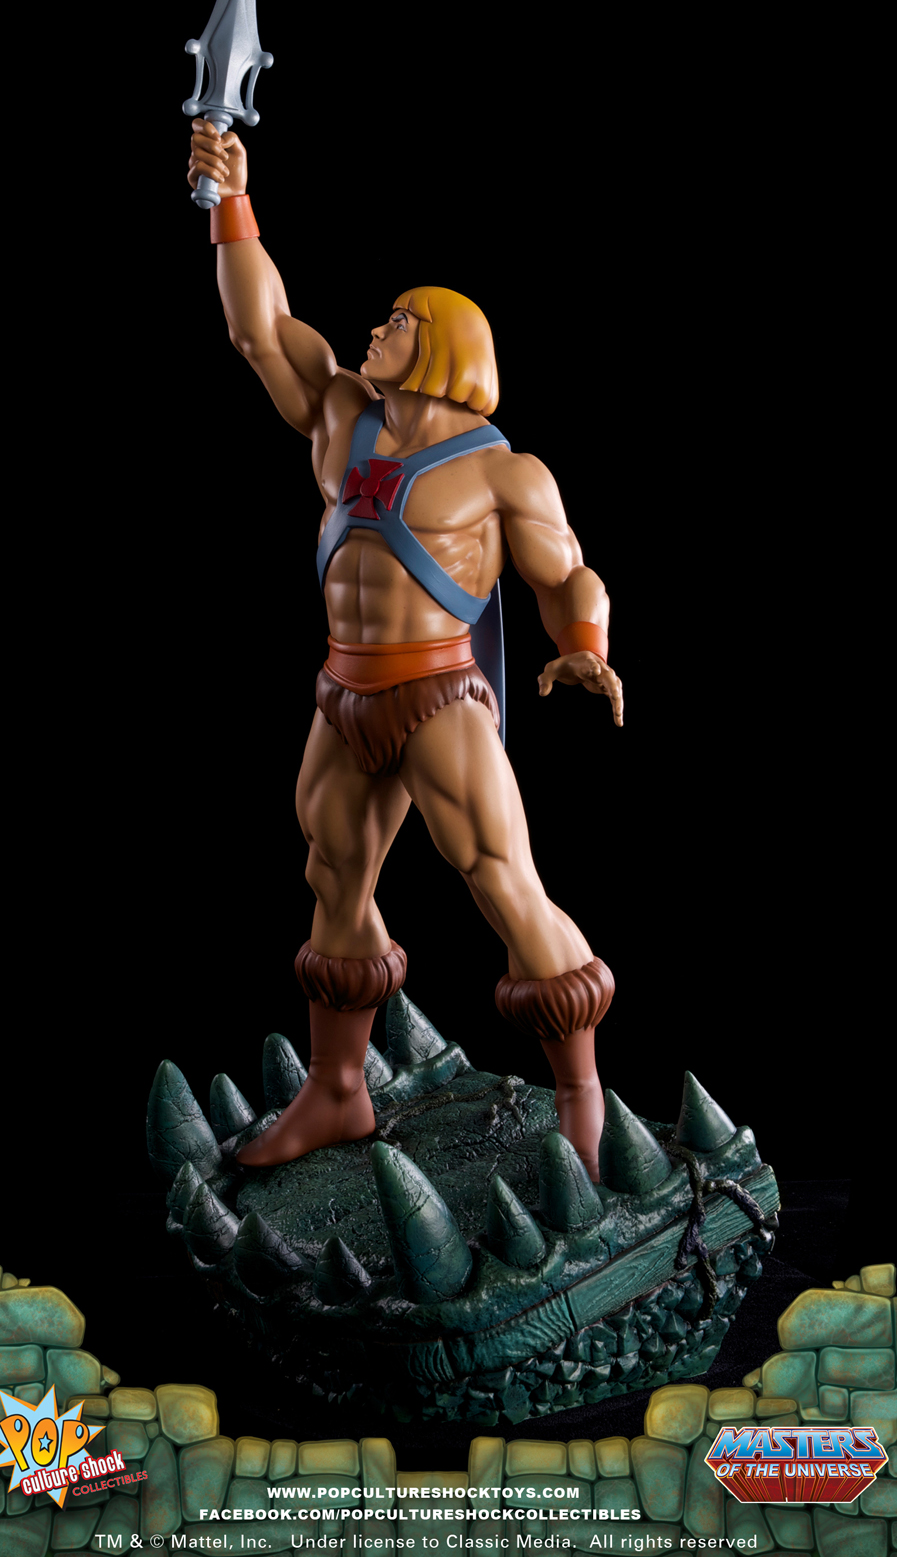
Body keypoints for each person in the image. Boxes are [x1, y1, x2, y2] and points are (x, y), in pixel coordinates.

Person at [187, 120, 624, 1180]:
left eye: (394, 321)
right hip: (343, 689)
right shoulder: (340, 415)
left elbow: (566, 571)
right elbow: (261, 329)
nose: (373, 331)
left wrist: (582, 644)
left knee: (500, 880)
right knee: (332, 873)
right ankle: (339, 1091)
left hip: (438, 695)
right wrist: (231, 205)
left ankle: (581, 1100)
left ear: (439, 344)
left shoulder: (504, 471)